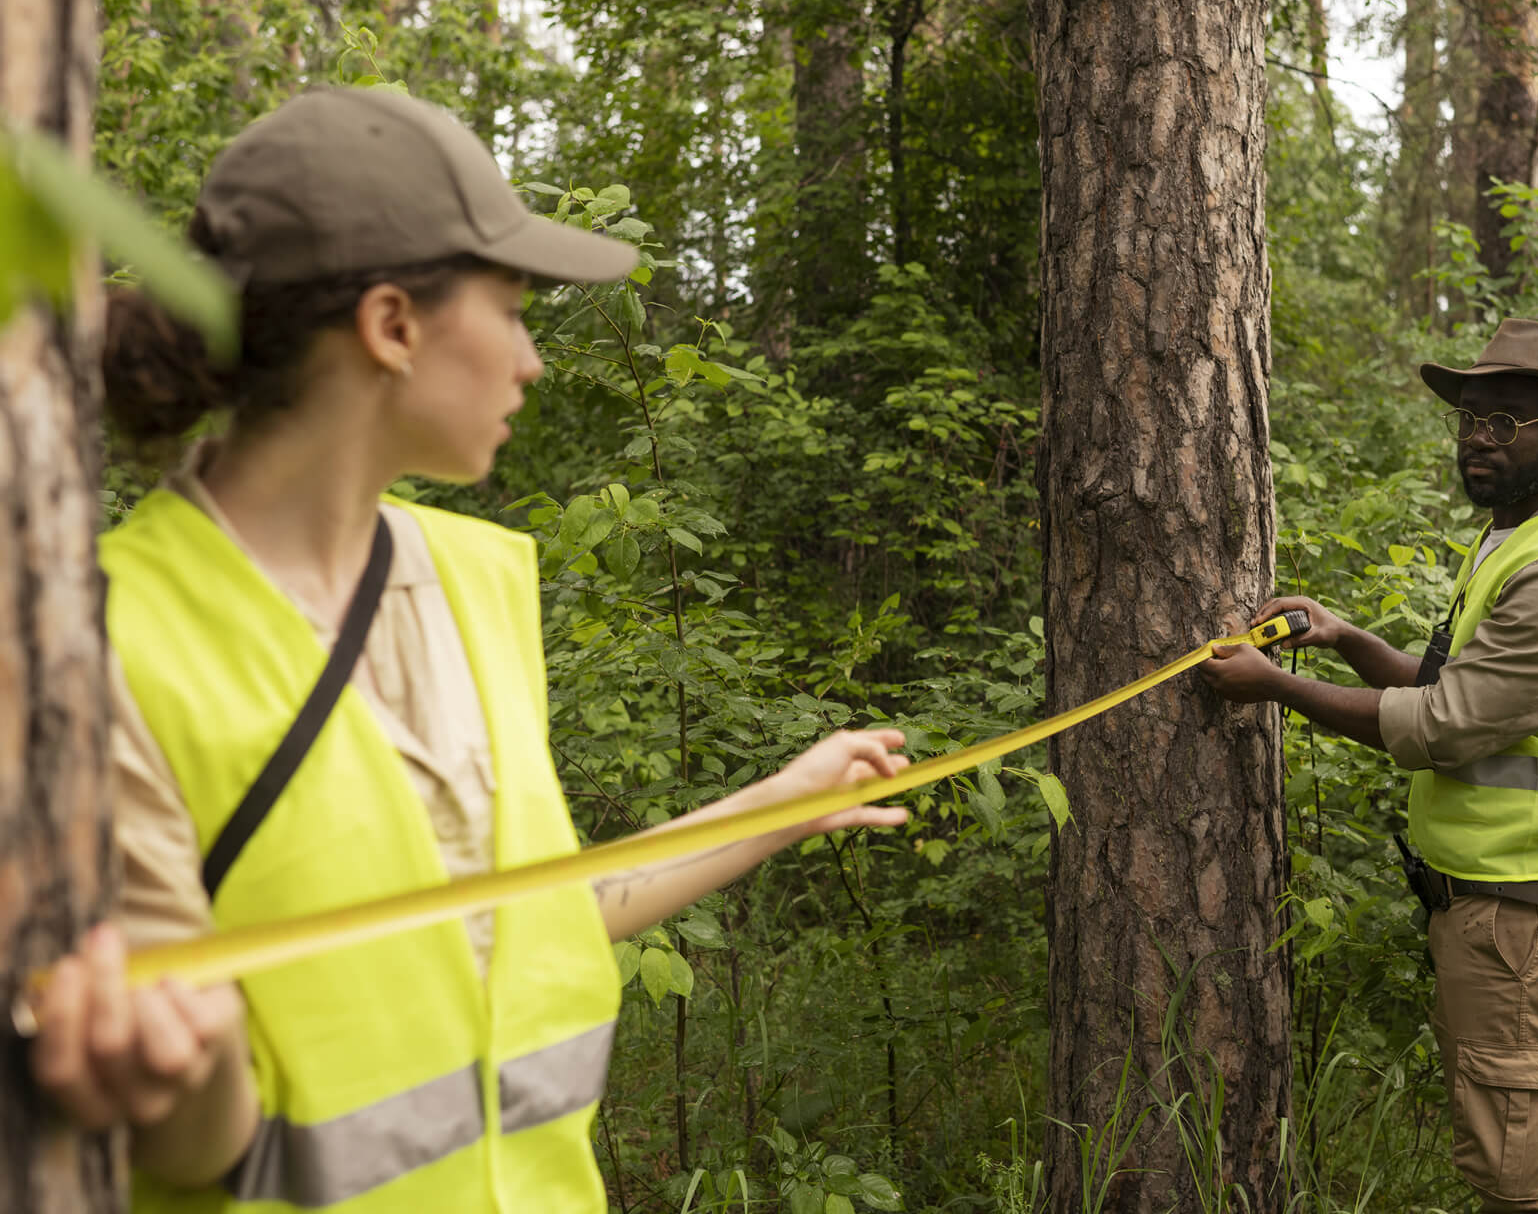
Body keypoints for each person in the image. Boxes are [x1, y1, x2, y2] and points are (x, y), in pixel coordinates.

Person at [28, 85, 910, 1211]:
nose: (531, 359)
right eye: (514, 309)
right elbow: (194, 1138)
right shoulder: (108, 644)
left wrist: (781, 800)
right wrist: (170, 1066)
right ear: (393, 325)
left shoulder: (477, 578)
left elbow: (525, 918)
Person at [1200, 318, 1538, 1214]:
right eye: (1471, 418)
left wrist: (1274, 690)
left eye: (1508, 420)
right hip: (1508, 908)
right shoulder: (1512, 539)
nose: (1480, 437)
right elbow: (1454, 686)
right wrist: (1344, 636)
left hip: (1528, 914)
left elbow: (1444, 725)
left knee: (1518, 1175)